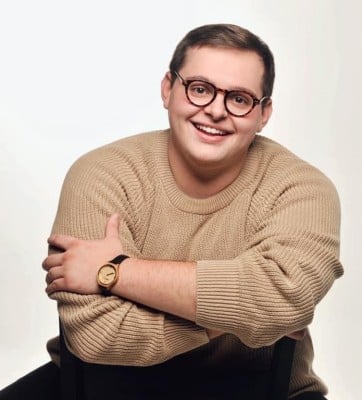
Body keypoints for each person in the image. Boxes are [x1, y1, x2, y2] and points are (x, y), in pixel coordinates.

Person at [0, 23, 343, 399]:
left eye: (239, 98)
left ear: (264, 113)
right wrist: (241, 319)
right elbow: (97, 336)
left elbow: (282, 298)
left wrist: (114, 271)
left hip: (257, 387)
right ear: (168, 89)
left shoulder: (301, 188)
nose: (215, 111)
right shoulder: (102, 174)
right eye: (200, 89)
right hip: (104, 386)